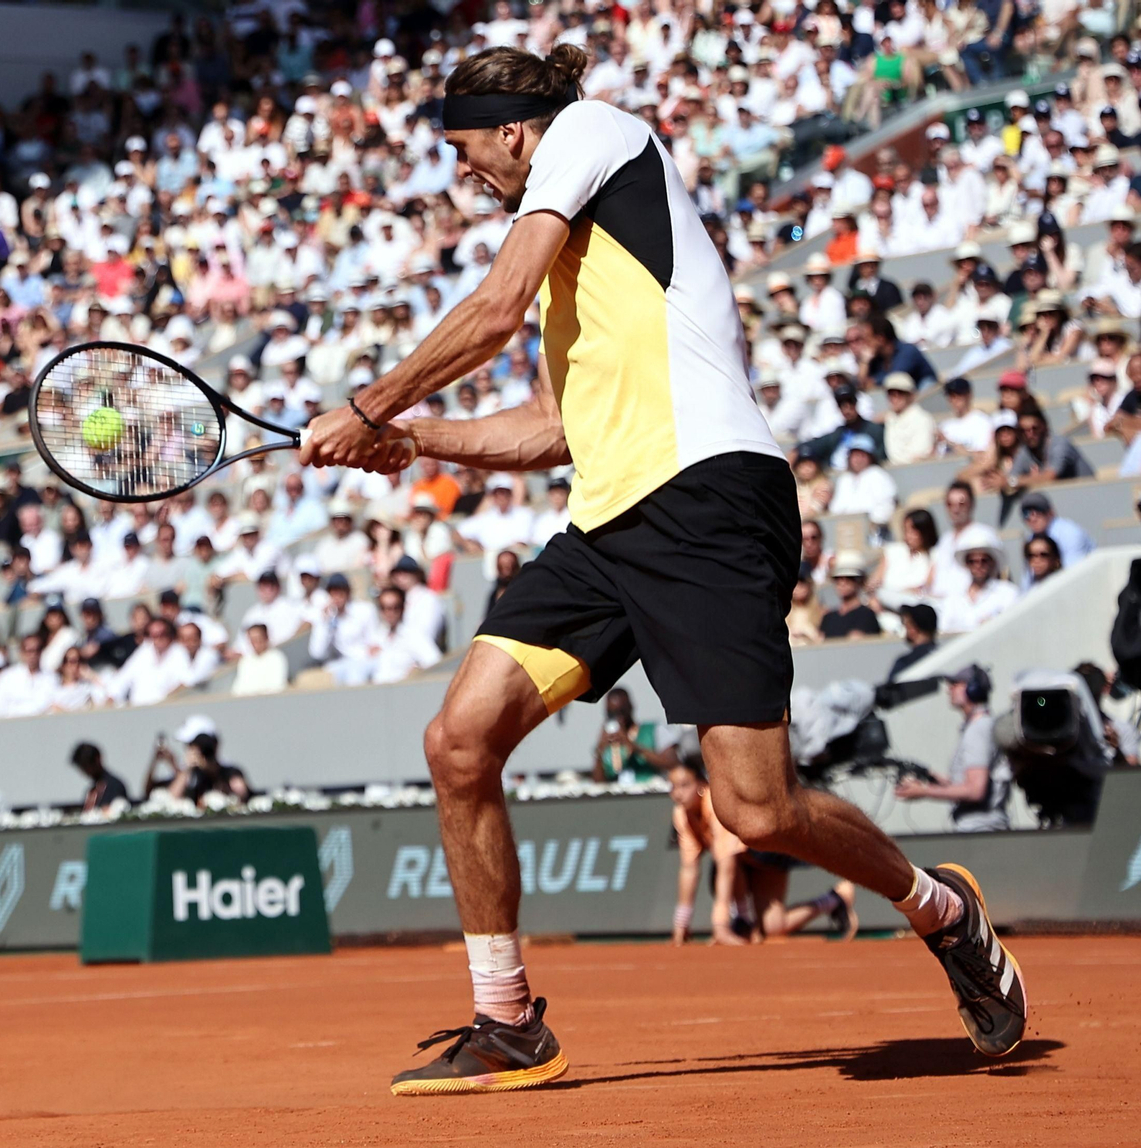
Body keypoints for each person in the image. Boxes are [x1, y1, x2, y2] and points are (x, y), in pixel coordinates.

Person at [299, 46, 1024, 1091]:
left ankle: (942, 909)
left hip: (708, 502)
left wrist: (369, 406)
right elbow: (553, 429)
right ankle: (505, 1020)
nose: (459, 172)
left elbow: (488, 310)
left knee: (757, 810)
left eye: (463, 148)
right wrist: (417, 441)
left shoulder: (596, 132)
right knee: (459, 739)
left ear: (515, 131)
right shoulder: (571, 279)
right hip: (607, 525)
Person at [669, 761, 856, 947]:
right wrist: (681, 924)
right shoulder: (681, 815)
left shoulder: (716, 804)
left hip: (767, 853)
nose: (678, 793)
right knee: (772, 925)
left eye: (685, 785)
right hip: (742, 861)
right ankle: (745, 921)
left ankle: (835, 899)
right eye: (673, 787)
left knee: (770, 924)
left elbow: (727, 867)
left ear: (702, 785)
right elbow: (689, 870)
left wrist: (720, 925)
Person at [895, 665, 1011, 832]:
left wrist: (923, 791)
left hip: (981, 830)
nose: (949, 690)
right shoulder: (976, 727)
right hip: (976, 829)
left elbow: (975, 790)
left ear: (973, 689)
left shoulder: (979, 729)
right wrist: (930, 776)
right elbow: (965, 784)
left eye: (955, 684)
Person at [938, 525, 1021, 634]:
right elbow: (944, 630)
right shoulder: (953, 597)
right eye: (972, 561)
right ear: (966, 564)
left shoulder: (1008, 593)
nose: (978, 565)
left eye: (984, 560)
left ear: (992, 562)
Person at [590, 687, 678, 785]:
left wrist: (632, 746)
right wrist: (599, 751)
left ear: (631, 707)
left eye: (622, 711)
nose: (618, 717)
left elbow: (673, 763)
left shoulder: (654, 730)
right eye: (611, 713)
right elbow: (598, 784)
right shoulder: (607, 740)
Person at [1018, 492, 1094, 569]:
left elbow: (1074, 572)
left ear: (1050, 513)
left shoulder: (1069, 533)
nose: (1033, 518)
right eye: (1026, 513)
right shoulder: (1031, 540)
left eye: (1038, 511)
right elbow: (1030, 577)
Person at [820, 553, 883, 639]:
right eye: (838, 579)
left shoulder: (866, 615)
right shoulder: (829, 618)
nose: (842, 583)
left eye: (849, 578)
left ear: (860, 581)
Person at [232, 622, 290, 696]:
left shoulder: (276, 658)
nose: (256, 643)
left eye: (258, 639)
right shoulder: (245, 661)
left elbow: (277, 687)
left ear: (266, 638)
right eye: (252, 640)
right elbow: (238, 689)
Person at [888, 604, 940, 682]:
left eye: (906, 626)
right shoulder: (945, 656)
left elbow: (890, 690)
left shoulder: (905, 662)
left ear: (913, 630)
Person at [73, 741, 130, 812]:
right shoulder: (92, 790)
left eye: (86, 766)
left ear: (97, 760)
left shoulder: (114, 786)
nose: (86, 771)